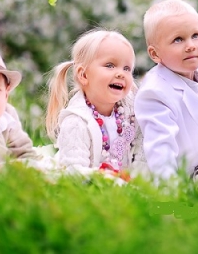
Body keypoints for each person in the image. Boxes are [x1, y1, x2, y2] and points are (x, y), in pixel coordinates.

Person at [134, 0, 198, 179]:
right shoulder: (154, 93)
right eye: (178, 39)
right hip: (180, 182)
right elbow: (161, 154)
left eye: (196, 35)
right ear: (155, 54)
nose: (191, 45)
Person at [45, 29, 137, 176]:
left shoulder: (131, 111)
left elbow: (142, 150)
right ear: (84, 75)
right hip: (91, 182)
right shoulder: (76, 123)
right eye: (110, 65)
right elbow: (73, 172)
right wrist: (105, 178)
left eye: (127, 68)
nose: (121, 73)